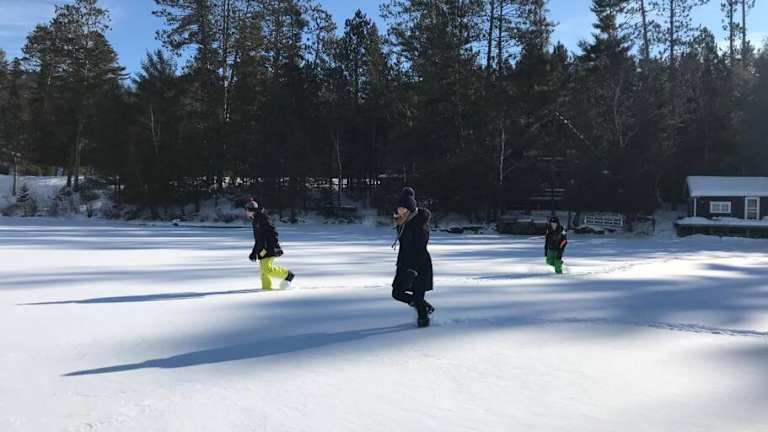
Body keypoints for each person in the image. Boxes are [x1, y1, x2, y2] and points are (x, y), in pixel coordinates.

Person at [391, 187, 435, 327]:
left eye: (403, 208)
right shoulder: (402, 222)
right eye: (399, 208)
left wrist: (413, 270)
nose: (400, 211)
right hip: (404, 263)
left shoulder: (419, 225)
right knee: (397, 293)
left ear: (410, 209)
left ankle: (424, 325)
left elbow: (419, 250)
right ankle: (425, 307)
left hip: (419, 265)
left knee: (418, 297)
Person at [246, 200, 295, 290]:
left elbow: (273, 233)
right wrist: (254, 253)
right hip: (262, 249)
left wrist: (274, 247)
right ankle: (266, 289)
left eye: (247, 210)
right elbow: (258, 239)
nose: (246, 212)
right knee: (264, 271)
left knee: (267, 269)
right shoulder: (255, 221)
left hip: (269, 248)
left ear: (252, 210)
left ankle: (288, 275)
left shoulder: (263, 218)